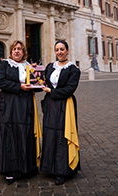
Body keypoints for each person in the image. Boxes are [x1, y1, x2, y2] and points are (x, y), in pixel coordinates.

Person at [0, 40, 41, 185]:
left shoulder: (29, 66)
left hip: (25, 105)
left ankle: (26, 168)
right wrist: (19, 87)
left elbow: (37, 85)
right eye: (14, 49)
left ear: (24, 52)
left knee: (25, 133)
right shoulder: (5, 64)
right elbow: (0, 82)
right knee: (10, 135)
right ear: (11, 51)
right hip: (9, 105)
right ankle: (10, 170)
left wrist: (38, 75)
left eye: (20, 49)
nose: (17, 51)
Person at [41, 40, 81, 185]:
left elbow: (69, 89)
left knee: (63, 137)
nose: (59, 52)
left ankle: (62, 171)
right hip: (51, 106)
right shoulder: (50, 67)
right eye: (57, 49)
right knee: (51, 135)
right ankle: (50, 167)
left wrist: (51, 91)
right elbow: (44, 82)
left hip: (65, 105)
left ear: (67, 51)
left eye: (62, 49)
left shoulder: (73, 70)